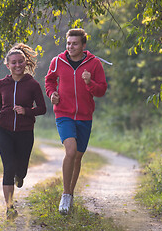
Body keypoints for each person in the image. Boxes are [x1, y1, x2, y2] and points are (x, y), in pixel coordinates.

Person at [45, 28, 108, 215]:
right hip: (63, 113)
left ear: (83, 45)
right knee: (70, 151)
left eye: (74, 44)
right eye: (68, 43)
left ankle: (70, 194)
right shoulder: (57, 61)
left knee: (78, 156)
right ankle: (64, 195)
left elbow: (102, 90)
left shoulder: (94, 64)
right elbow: (49, 81)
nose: (70, 47)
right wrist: (52, 94)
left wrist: (90, 83)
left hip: (85, 116)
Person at [0, 43, 46, 219]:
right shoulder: (2, 84)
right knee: (9, 167)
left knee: (21, 171)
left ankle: (20, 176)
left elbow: (42, 108)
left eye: (21, 62)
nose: (18, 65)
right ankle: (9, 208)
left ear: (25, 63)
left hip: (25, 132)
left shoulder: (33, 84)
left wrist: (26, 111)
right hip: (3, 131)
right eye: (14, 62)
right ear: (8, 65)